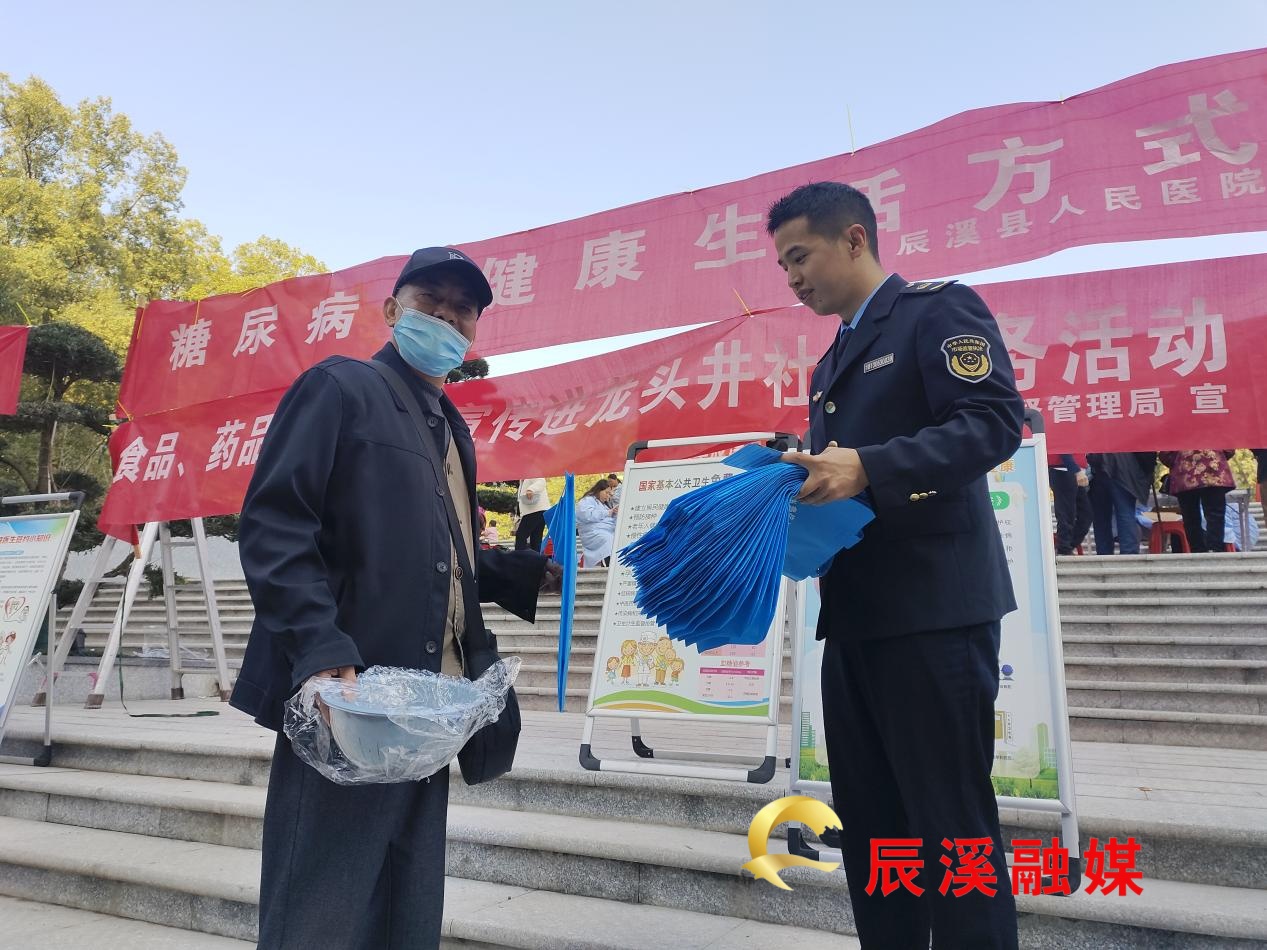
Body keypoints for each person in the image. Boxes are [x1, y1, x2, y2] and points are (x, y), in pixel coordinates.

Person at [230, 246, 561, 949]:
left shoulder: (448, 425)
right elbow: (275, 525)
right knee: (321, 906)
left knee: (404, 906)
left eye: (462, 309)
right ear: (391, 310)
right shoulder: (340, 387)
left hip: (427, 704)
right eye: (429, 301)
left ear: (474, 331)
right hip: (351, 696)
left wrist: (521, 573)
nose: (445, 317)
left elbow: (435, 543)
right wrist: (320, 648)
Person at [767, 182, 1022, 949]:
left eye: (799, 256)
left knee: (951, 827)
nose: (792, 278)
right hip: (855, 619)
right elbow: (842, 480)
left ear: (854, 239)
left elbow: (990, 422)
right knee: (876, 831)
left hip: (934, 614)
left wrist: (868, 466)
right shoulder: (831, 361)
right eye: (782, 266)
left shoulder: (934, 313)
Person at [1160, 450, 1236, 553]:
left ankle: (1197, 550)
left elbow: (1165, 454)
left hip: (1185, 472)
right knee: (1215, 514)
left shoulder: (1175, 437)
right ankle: (1215, 548)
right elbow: (1229, 449)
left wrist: (1180, 458)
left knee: (1190, 516)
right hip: (1214, 470)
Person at [1087, 452, 1154, 554]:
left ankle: (1104, 555)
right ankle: (1129, 553)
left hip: (1098, 466)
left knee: (1101, 517)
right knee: (1125, 512)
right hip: (1125, 469)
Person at [1048, 452, 1091, 555]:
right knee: (1066, 513)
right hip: (1062, 469)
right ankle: (1064, 548)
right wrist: (1076, 470)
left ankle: (1065, 546)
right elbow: (1063, 447)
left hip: (1077, 471)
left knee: (1086, 515)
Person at [577, 478, 618, 567]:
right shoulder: (587, 500)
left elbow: (611, 520)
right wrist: (608, 512)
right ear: (599, 490)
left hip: (606, 531)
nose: (608, 496)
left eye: (609, 494)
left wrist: (615, 514)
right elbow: (587, 515)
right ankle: (608, 564)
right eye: (606, 493)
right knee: (609, 541)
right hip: (593, 532)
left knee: (616, 539)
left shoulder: (604, 504)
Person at [515, 477, 550, 551]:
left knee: (521, 535)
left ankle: (519, 556)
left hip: (534, 511)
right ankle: (536, 557)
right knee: (536, 538)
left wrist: (531, 489)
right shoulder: (523, 479)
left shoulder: (530, 473)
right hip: (539, 511)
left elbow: (541, 481)